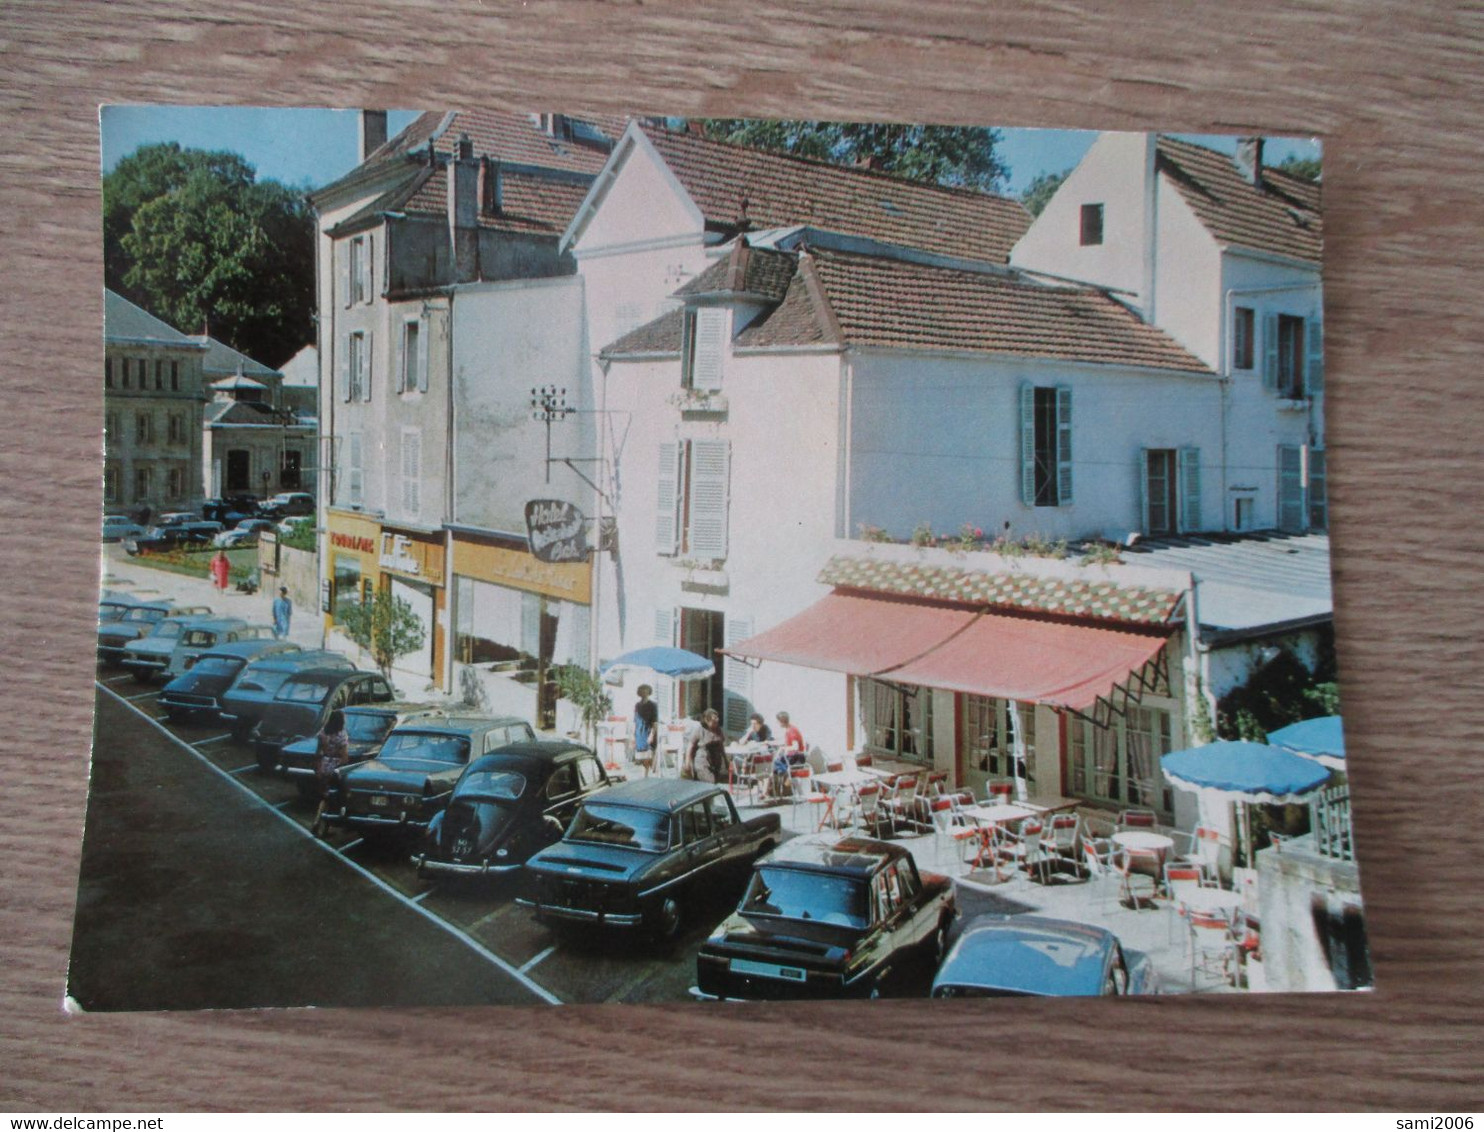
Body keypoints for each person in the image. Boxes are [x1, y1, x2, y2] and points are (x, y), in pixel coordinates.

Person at [311, 709, 350, 832]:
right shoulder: (342, 735)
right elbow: (344, 756)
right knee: (333, 796)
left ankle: (318, 821)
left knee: (324, 796)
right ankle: (324, 825)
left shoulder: (323, 732)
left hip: (324, 763)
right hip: (335, 765)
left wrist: (317, 767)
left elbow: (318, 752)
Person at [771, 710, 807, 798]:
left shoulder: (791, 731)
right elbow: (788, 743)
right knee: (777, 762)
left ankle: (788, 779)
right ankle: (787, 779)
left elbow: (795, 747)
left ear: (782, 721)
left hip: (797, 757)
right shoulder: (790, 729)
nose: (777, 723)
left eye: (778, 721)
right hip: (794, 756)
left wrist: (783, 748)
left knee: (776, 762)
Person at [687, 709, 727, 784]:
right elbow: (690, 745)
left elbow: (721, 746)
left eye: (717, 719)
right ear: (707, 720)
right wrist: (687, 763)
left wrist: (726, 761)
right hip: (703, 763)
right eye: (714, 720)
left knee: (714, 783)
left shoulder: (718, 730)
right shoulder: (700, 730)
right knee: (711, 782)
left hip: (715, 763)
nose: (716, 721)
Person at [632, 684, 659, 775]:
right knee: (641, 757)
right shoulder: (637, 705)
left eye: (646, 690)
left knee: (648, 756)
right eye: (642, 690)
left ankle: (647, 775)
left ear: (649, 692)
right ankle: (644, 774)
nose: (644, 692)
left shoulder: (653, 705)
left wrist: (651, 735)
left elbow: (655, 722)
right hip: (640, 733)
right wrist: (634, 735)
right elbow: (635, 720)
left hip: (648, 732)